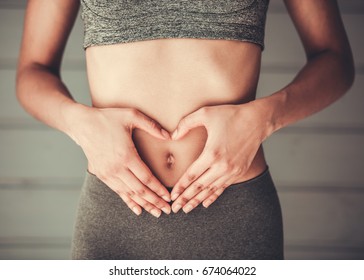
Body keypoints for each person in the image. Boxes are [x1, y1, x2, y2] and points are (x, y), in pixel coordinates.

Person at [16, 0, 354, 259]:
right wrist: (80, 123)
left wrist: (264, 117)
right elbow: (33, 70)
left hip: (233, 211)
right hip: (117, 209)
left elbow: (334, 59)